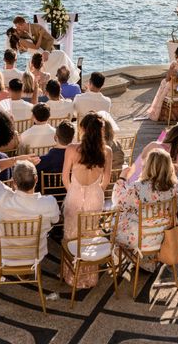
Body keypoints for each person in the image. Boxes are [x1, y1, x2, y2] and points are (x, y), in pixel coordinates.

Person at [61, 112, 112, 288]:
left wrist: (73, 191)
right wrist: (95, 192)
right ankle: (90, 277)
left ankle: (72, 276)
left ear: (82, 129)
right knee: (91, 237)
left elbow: (64, 177)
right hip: (95, 197)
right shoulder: (107, 151)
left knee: (72, 236)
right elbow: (106, 180)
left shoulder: (71, 149)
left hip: (75, 195)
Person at [112, 148, 178, 271]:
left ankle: (134, 256)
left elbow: (118, 201)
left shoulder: (138, 188)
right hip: (164, 236)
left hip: (139, 238)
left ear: (149, 165)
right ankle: (144, 260)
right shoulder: (175, 188)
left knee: (114, 222)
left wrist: (122, 179)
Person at [146, 46, 178, 120]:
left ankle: (157, 112)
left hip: (174, 89)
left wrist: (170, 72)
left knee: (164, 82)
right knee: (164, 83)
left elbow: (168, 79)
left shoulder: (174, 64)